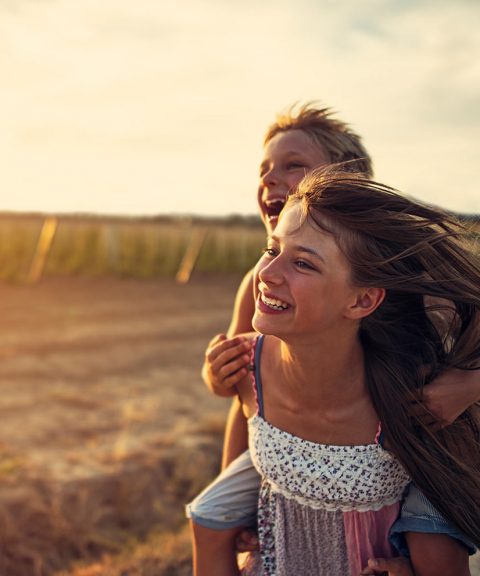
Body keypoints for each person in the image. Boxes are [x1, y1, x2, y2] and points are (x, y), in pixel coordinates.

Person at [188, 104, 480, 570]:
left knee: (429, 531)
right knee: (209, 518)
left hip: (406, 443)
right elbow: (247, 402)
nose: (270, 179)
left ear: (351, 184)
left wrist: (467, 384)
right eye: (264, 169)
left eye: (293, 166)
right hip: (286, 450)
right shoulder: (262, 282)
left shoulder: (406, 276)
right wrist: (217, 378)